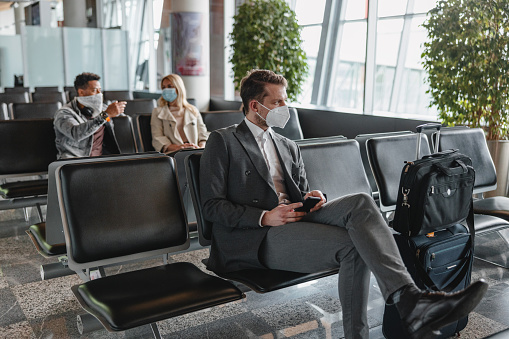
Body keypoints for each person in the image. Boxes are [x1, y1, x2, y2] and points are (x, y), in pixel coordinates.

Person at [199, 69, 487, 339]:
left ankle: (407, 296)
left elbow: (299, 195)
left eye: (284, 100)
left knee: (361, 202)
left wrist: (314, 197)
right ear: (254, 106)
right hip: (256, 235)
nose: (284, 107)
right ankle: (402, 308)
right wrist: (265, 216)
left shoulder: (288, 145)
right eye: (277, 101)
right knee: (354, 246)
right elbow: (212, 206)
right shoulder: (223, 141)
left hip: (295, 218)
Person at [54, 72, 126, 159]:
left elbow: (124, 120)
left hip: (103, 160)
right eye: (95, 90)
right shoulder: (64, 113)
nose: (100, 94)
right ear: (81, 92)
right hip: (76, 160)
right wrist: (105, 116)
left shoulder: (103, 108)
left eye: (100, 90)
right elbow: (76, 133)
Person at [151, 74, 209, 154]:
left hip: (196, 153)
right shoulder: (157, 112)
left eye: (170, 86)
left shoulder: (193, 110)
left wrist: (200, 148)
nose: (166, 90)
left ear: (179, 88)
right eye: (164, 87)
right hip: (174, 154)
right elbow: (158, 138)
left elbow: (203, 134)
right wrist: (180, 148)